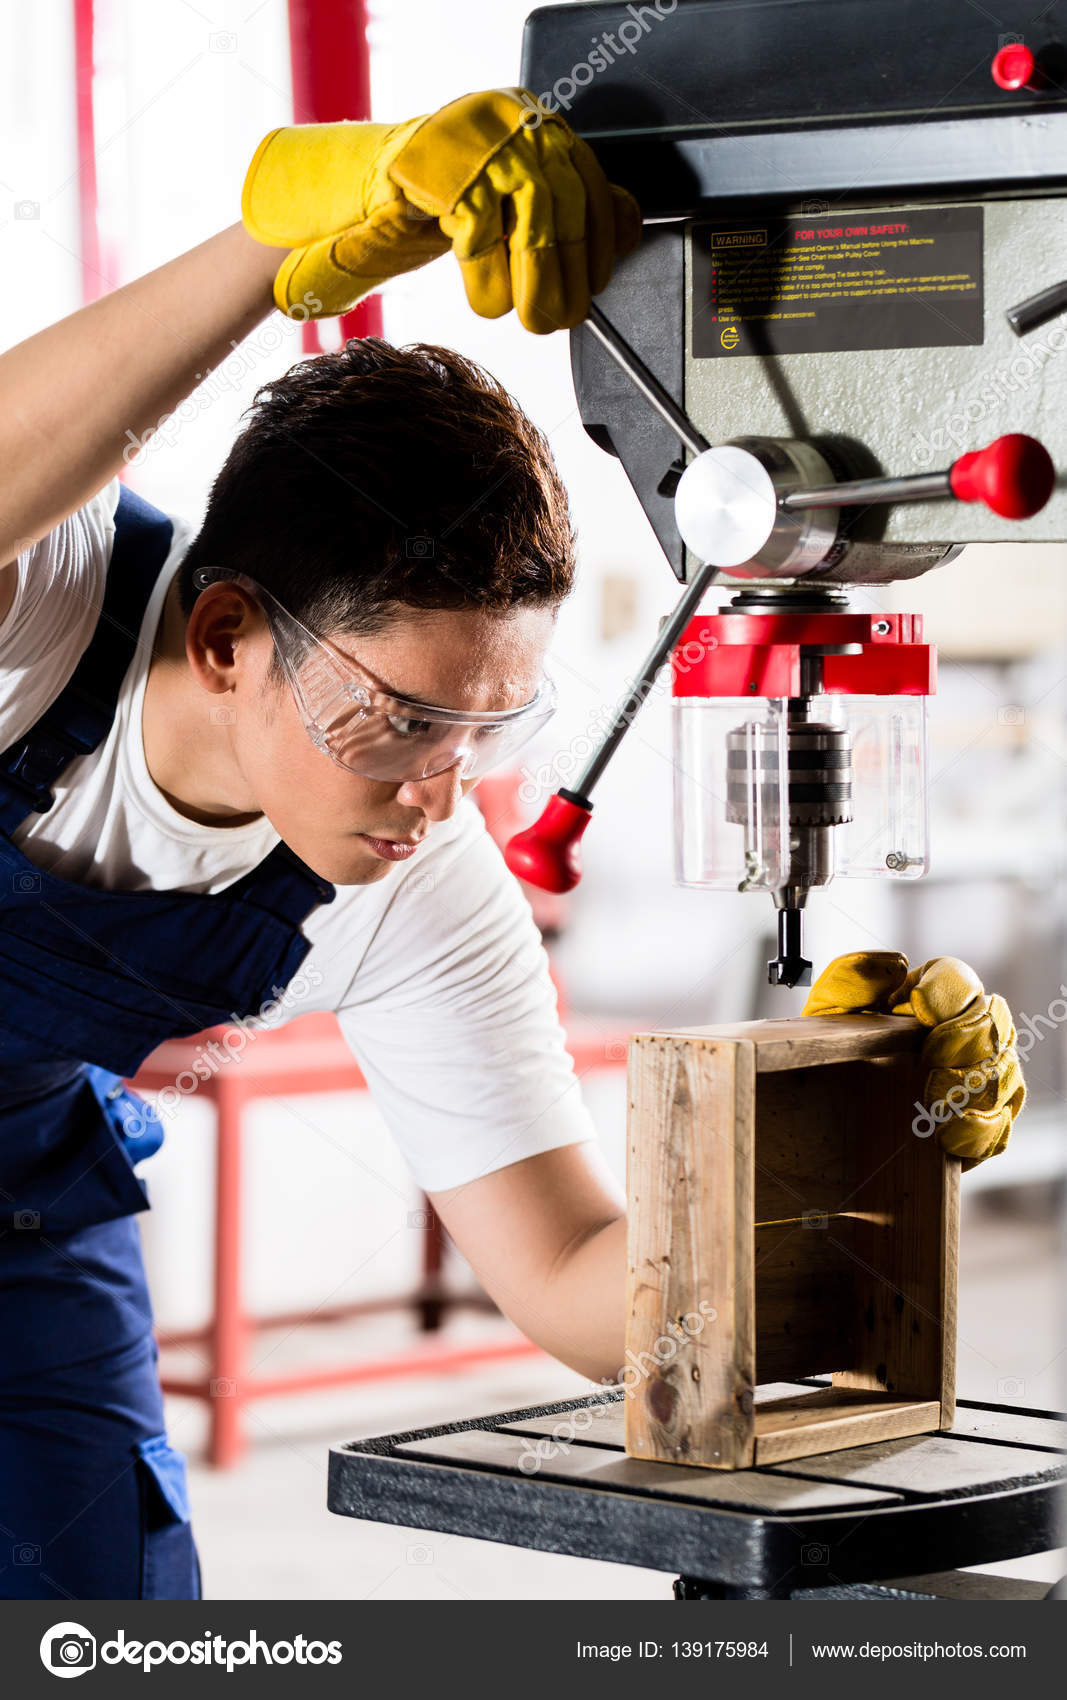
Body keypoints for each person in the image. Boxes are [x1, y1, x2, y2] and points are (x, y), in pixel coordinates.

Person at [0, 88, 1025, 1600]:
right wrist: (274, 244)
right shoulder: (49, 603)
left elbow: (568, 1283)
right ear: (228, 638)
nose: (443, 786)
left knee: (103, 1618)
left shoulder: (416, 889)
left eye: (488, 727)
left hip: (26, 1212)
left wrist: (854, 1146)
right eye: (406, 717)